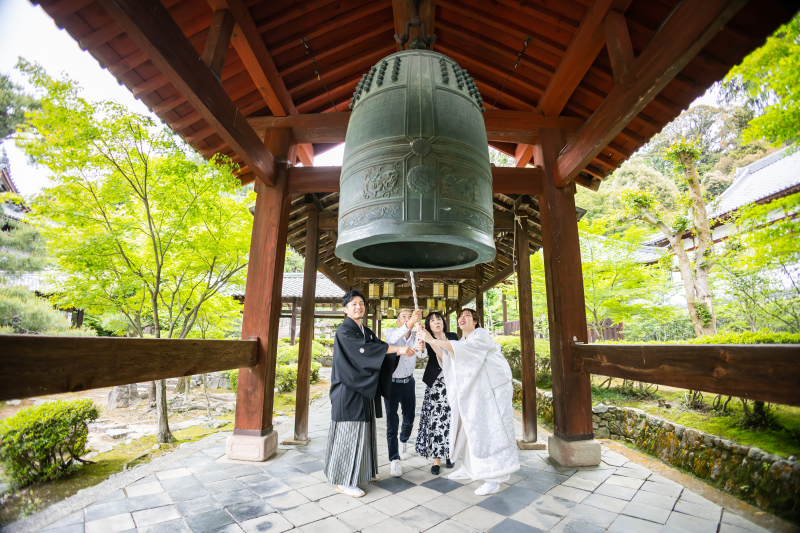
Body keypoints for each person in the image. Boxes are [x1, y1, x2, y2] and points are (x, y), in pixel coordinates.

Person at [324, 289, 417, 498]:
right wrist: (398, 350)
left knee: (364, 433)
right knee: (349, 434)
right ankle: (344, 480)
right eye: (354, 304)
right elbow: (366, 351)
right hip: (347, 391)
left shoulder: (363, 330)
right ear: (345, 309)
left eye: (361, 303)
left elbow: (379, 346)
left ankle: (362, 472)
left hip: (362, 390)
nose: (359, 307)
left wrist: (399, 350)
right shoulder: (345, 331)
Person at [417, 308, 519, 495]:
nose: (463, 318)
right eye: (460, 316)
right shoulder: (463, 340)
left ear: (476, 321)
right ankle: (470, 468)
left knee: (489, 432)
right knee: (469, 429)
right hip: (476, 393)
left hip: (491, 393)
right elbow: (448, 359)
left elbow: (462, 352)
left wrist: (431, 339)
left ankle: (493, 478)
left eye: (467, 316)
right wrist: (429, 341)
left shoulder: (480, 336)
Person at [415, 311, 456, 475]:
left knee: (452, 420)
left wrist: (430, 340)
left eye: (439, 318)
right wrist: (422, 344)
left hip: (452, 384)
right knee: (436, 421)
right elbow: (421, 354)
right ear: (428, 326)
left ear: (444, 322)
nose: (436, 321)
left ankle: (449, 454)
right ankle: (436, 460)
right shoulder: (426, 338)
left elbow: (450, 357)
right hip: (435, 385)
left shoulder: (452, 336)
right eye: (432, 320)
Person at [383, 308, 423, 477]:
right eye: (404, 317)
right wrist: (411, 322)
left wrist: (422, 343)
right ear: (399, 322)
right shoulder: (392, 333)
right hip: (391, 384)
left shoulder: (416, 336)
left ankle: (404, 441)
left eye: (410, 316)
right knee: (392, 422)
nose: (408, 319)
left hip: (409, 382)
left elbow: (422, 355)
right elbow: (391, 340)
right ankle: (394, 459)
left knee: (409, 417)